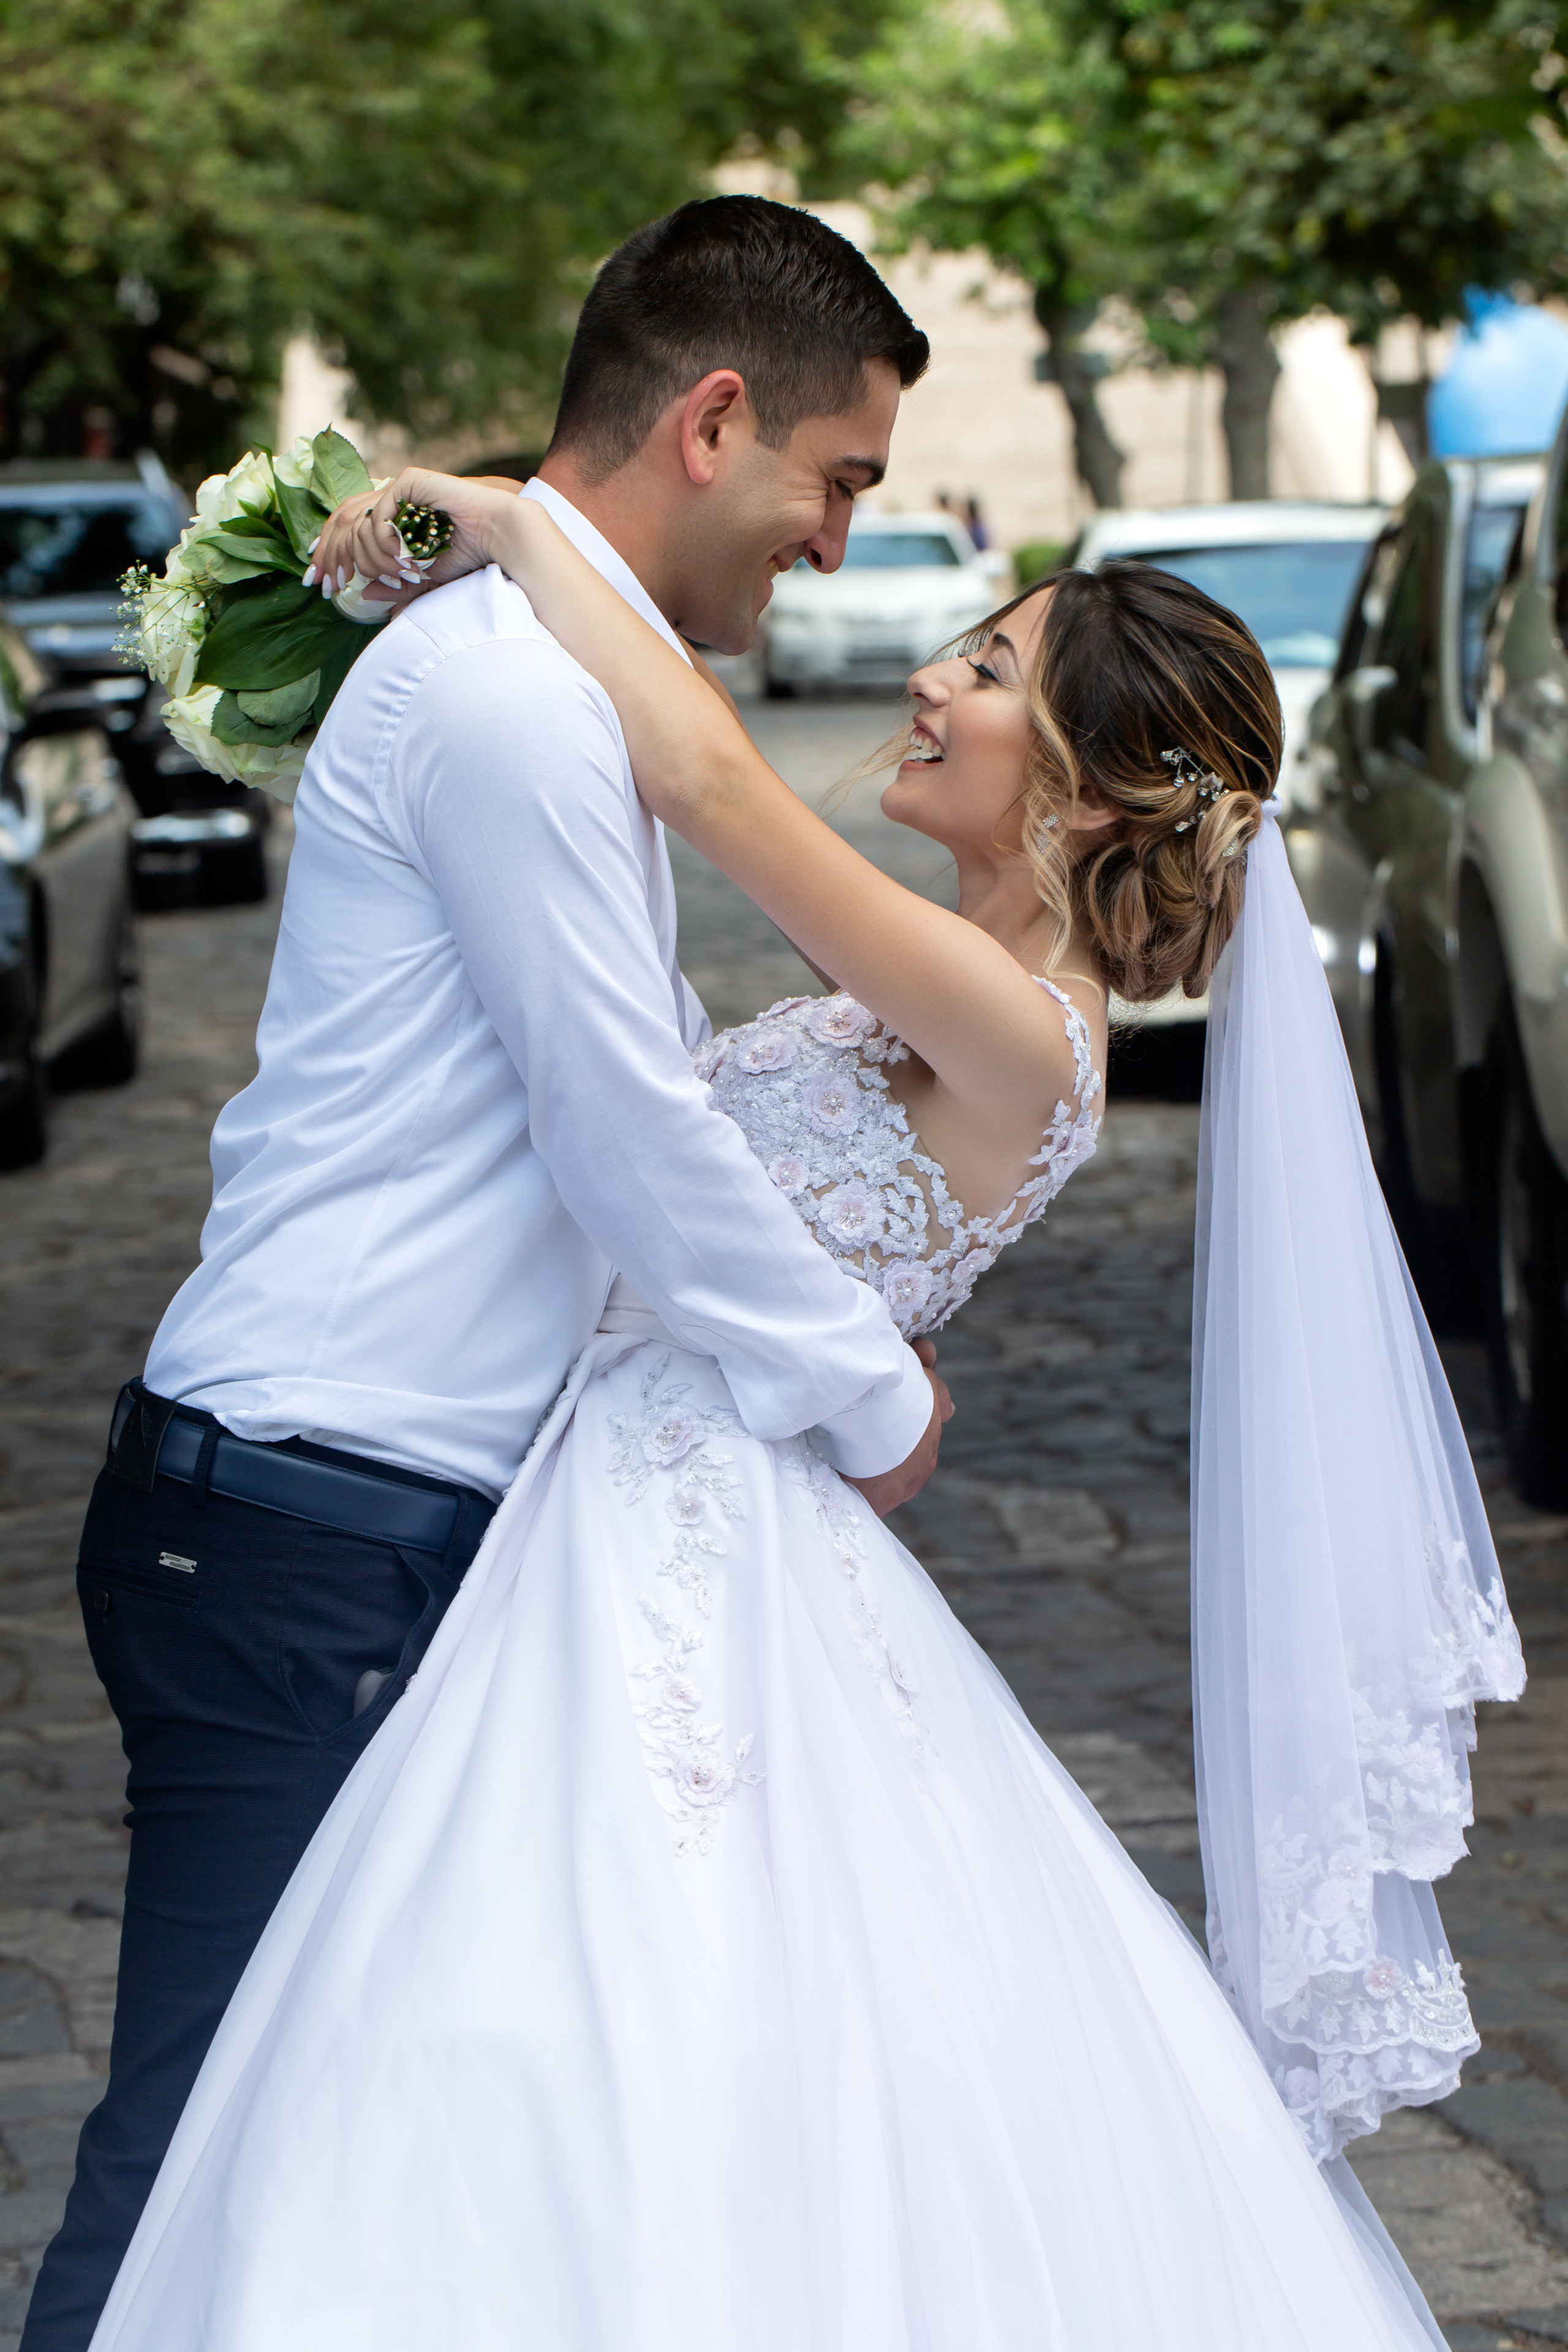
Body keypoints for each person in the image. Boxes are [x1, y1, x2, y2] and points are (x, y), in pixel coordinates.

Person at [81, 478, 1521, 2348]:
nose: (931, 678)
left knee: (622, 2013)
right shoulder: (938, 997)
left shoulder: (1031, 1028)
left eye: (994, 668)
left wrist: (521, 527)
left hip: (684, 1529)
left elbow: (711, 786)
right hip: (601, 1489)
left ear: (1086, 781)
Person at [21, 197, 949, 2352]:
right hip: (302, 1524)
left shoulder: (552, 666)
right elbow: (626, 1127)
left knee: (363, 2160)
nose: (833, 545)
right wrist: (870, 1388)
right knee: (201, 2164)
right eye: (840, 481)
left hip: (360, 1518)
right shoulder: (519, 696)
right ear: (716, 421)